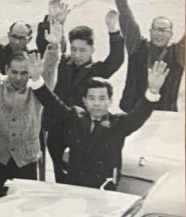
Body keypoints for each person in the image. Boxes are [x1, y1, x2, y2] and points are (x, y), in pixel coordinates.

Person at [36, 61, 168, 190]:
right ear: (84, 101)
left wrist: (153, 91)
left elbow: (140, 114)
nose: (96, 103)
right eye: (91, 98)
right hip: (74, 190)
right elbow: (52, 103)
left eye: (102, 98)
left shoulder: (118, 124)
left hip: (104, 192)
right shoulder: (75, 118)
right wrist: (36, 79)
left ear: (110, 101)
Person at [0, 13, 60, 202]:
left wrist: (53, 47)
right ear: (6, 70)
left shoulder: (37, 90)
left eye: (24, 73)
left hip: (25, 161)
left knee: (23, 208)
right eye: (14, 72)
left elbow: (49, 73)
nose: (19, 77)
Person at [44, 11, 126, 183]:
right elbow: (48, 50)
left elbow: (116, 60)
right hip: (56, 128)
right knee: (59, 173)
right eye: (74, 49)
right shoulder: (62, 63)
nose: (77, 55)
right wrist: (54, 23)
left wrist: (113, 30)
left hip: (82, 132)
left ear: (92, 50)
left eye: (83, 50)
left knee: (79, 174)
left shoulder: (97, 70)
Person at [112, 0, 184, 113]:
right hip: (132, 111)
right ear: (150, 32)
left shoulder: (178, 54)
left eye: (164, 30)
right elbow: (128, 23)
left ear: (171, 35)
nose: (159, 34)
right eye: (156, 29)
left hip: (163, 115)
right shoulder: (138, 47)